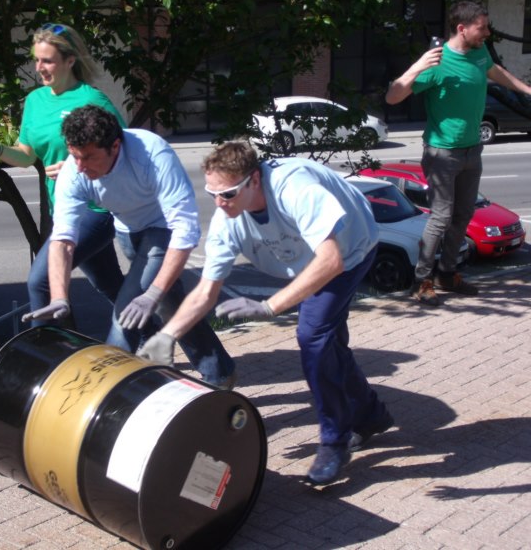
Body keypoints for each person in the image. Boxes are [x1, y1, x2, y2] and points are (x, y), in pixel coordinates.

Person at [138, 141, 393, 485]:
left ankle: (334, 441)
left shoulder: (295, 189)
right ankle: (370, 415)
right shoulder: (227, 220)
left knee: (313, 336)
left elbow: (331, 260)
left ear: (254, 180)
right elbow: (205, 291)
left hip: (351, 251)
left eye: (227, 194)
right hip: (311, 261)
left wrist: (269, 306)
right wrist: (167, 335)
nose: (219, 203)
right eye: (213, 193)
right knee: (328, 343)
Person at [23, 105, 236, 389]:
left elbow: (184, 230)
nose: (80, 166)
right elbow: (63, 239)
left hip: (164, 230)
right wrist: (60, 296)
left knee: (125, 315)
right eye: (74, 156)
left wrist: (152, 294)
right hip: (127, 230)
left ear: (115, 145)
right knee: (170, 304)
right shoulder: (75, 171)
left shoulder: (151, 154)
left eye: (88, 157)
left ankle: (106, 394)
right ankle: (220, 372)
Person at [385, 1, 531, 306]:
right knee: (440, 217)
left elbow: (497, 72)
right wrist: (417, 66)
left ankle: (447, 274)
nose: (487, 33)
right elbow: (393, 96)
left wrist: (529, 91)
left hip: (471, 150)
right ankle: (422, 280)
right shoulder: (437, 62)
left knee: (464, 215)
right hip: (442, 153)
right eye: (482, 28)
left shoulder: (479, 52)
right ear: (462, 28)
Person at [0, 23, 125, 326]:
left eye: (48, 61)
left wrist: (74, 166)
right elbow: (28, 155)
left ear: (70, 61)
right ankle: (160, 338)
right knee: (111, 286)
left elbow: (124, 151)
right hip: (64, 208)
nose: (39, 68)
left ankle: (44, 359)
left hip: (96, 209)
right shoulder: (35, 101)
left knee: (40, 282)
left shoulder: (92, 100)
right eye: (37, 60)